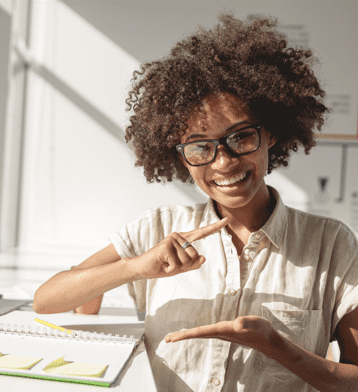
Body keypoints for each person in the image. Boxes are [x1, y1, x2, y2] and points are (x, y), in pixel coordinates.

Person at [33, 14, 358, 392]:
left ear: (269, 134)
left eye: (240, 137)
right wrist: (136, 267)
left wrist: (280, 349)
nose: (223, 162)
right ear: (181, 158)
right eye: (201, 146)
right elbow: (47, 300)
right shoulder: (157, 229)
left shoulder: (331, 244)